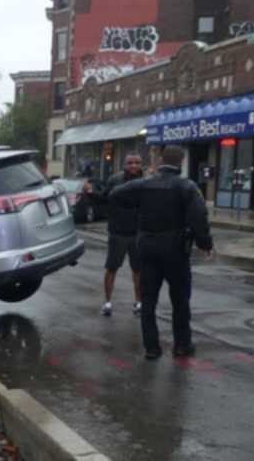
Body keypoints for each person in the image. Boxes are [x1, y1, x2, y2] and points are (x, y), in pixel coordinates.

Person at [110, 146, 213, 360]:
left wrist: (135, 210)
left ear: (160, 161)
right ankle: (182, 345)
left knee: (148, 299)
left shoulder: (144, 184)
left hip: (147, 247)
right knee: (180, 300)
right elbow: (198, 218)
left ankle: (152, 348)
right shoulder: (186, 186)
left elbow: (115, 194)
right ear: (181, 161)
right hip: (175, 249)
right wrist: (205, 243)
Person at [100, 153, 144, 317]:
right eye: (130, 162)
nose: (133, 165)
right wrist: (89, 192)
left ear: (141, 165)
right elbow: (103, 199)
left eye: (137, 162)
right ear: (124, 165)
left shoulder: (146, 182)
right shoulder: (115, 180)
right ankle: (107, 302)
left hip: (138, 233)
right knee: (111, 268)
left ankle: (139, 302)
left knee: (138, 270)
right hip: (118, 233)